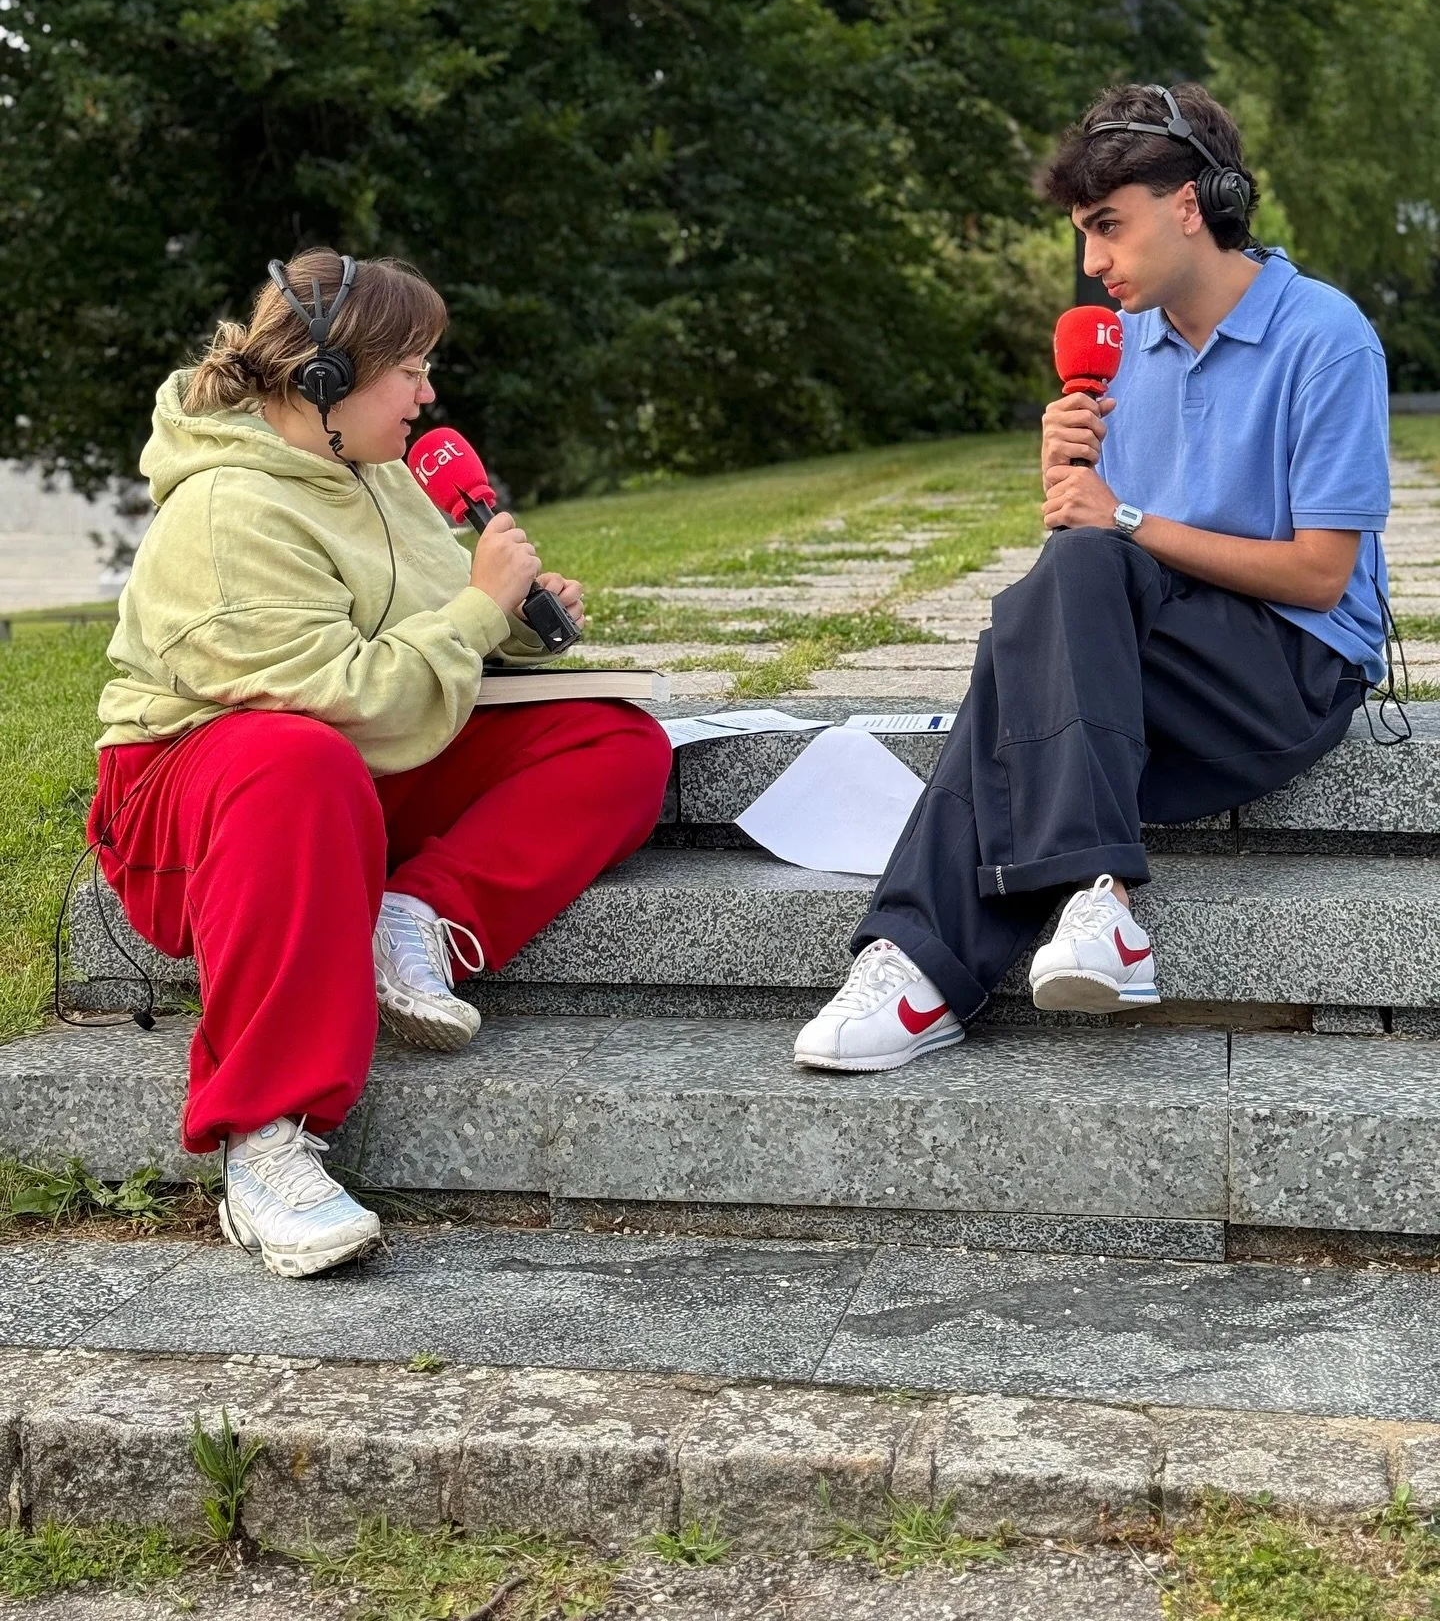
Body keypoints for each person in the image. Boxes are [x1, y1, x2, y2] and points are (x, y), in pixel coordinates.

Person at [89, 250, 672, 1273]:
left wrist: (519, 621)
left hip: (347, 776)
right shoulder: (226, 513)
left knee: (615, 740)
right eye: (408, 368)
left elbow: (430, 631)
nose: (427, 392)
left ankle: (415, 915)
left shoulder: (377, 474)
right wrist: (478, 608)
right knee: (297, 761)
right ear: (325, 380)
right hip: (202, 806)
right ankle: (265, 1141)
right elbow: (344, 701)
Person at [795, 81, 1391, 1072]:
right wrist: (1072, 481)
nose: (1092, 262)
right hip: (1146, 690)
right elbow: (1101, 571)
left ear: (1190, 206)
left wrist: (1117, 516)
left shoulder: (1325, 339)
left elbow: (1324, 577)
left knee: (1037, 627)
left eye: (1108, 228)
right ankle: (1052, 919)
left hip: (1283, 685)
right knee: (1044, 610)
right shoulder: (1119, 357)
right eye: (1082, 233)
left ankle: (936, 953)